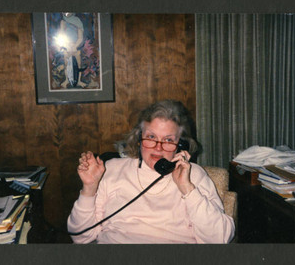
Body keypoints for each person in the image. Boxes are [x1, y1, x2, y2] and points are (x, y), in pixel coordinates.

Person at [67, 100, 235, 243]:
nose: (158, 148)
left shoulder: (194, 176)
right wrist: (89, 188)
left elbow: (220, 239)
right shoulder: (112, 169)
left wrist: (187, 189)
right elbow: (81, 237)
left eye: (168, 140)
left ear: (181, 145)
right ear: (139, 139)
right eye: (151, 137)